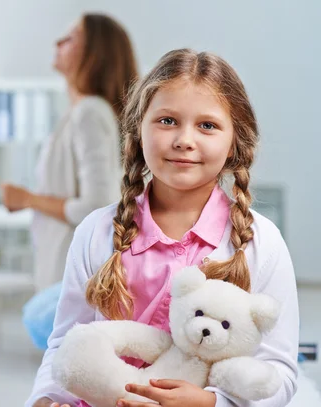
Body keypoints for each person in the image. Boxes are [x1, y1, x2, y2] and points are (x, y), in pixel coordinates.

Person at [27, 49, 299, 407]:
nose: (184, 140)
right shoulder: (96, 232)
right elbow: (65, 344)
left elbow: (278, 373)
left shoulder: (260, 244)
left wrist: (210, 401)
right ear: (138, 129)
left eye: (207, 125)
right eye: (167, 121)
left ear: (235, 141)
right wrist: (45, 400)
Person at [1, 14, 138, 291]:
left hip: (71, 269)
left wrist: (28, 199)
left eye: (70, 38)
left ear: (93, 54)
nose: (57, 42)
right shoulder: (81, 112)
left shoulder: (89, 113)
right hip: (64, 264)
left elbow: (97, 205)